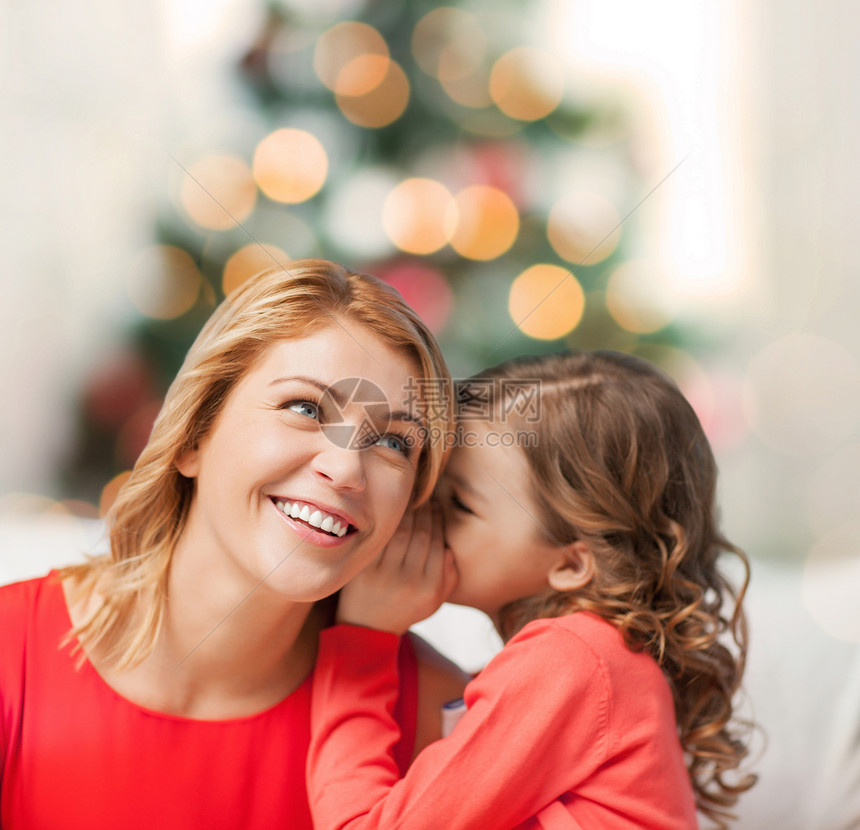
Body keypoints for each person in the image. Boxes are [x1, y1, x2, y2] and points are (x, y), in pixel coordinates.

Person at [0, 259, 469, 828]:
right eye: (305, 409)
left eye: (395, 442)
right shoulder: (11, 656)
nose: (348, 470)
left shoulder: (438, 714)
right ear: (193, 436)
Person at [307, 350, 757, 830]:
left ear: (571, 562)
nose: (419, 509)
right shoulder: (598, 662)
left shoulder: (572, 660)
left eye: (458, 502)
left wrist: (363, 639)